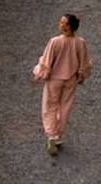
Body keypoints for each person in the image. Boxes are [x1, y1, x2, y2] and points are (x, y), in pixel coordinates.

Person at [30, 11, 91, 156]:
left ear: (68, 26)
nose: (60, 23)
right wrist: (82, 76)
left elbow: (47, 61)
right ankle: (58, 135)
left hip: (54, 80)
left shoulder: (55, 42)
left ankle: (52, 134)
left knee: (50, 106)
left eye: (63, 22)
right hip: (70, 80)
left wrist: (40, 74)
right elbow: (84, 63)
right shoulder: (80, 42)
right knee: (65, 107)